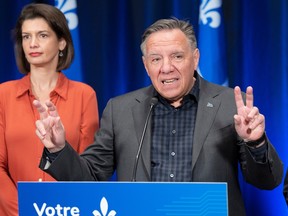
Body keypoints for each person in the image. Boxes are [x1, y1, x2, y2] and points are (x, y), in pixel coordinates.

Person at [33, 18, 283, 216]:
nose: (166, 67)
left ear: (195, 58)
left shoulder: (229, 104)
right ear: (145, 65)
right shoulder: (120, 109)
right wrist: (58, 149)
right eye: (156, 59)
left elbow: (267, 181)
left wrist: (255, 143)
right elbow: (89, 179)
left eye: (177, 56)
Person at [0, 3, 99, 216]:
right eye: (26, 37)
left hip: (68, 211)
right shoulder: (3, 95)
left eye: (42, 35)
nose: (32, 44)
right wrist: (24, 211)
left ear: (61, 42)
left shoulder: (84, 95)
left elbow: (87, 170)